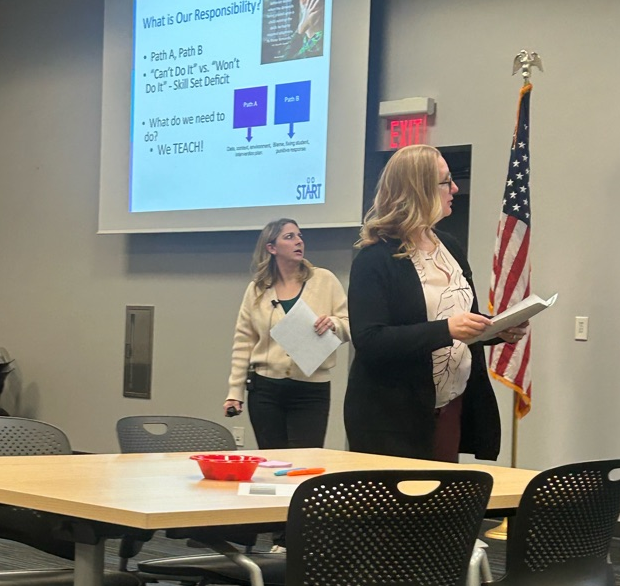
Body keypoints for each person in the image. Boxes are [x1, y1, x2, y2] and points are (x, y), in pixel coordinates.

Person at [344, 143, 526, 463]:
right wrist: (447, 330)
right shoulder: (376, 257)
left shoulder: (449, 246)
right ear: (419, 189)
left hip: (449, 405)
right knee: (406, 510)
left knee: (441, 505)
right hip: (392, 417)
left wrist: (496, 329)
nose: (454, 188)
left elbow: (458, 318)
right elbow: (370, 339)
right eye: (446, 181)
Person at [224, 218, 350, 449]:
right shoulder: (258, 289)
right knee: (272, 460)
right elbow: (243, 341)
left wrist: (333, 324)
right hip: (266, 389)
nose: (298, 241)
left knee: (305, 459)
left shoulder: (324, 280)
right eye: (289, 237)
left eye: (300, 236)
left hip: (311, 388)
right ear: (271, 248)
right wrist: (235, 392)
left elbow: (350, 324)